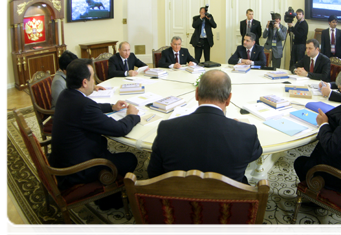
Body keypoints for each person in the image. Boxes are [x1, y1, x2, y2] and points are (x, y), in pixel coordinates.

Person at [49, 59, 140, 208]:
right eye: (92, 78)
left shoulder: (66, 95)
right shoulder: (84, 106)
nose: (94, 82)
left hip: (63, 159)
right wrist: (132, 116)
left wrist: (111, 106)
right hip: (78, 168)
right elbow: (119, 130)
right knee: (130, 159)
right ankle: (108, 199)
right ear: (85, 82)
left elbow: (91, 107)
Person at [147, 70, 262, 185]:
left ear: (196, 93)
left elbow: (153, 173)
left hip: (177, 200)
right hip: (228, 201)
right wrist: (237, 127)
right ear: (228, 99)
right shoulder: (246, 132)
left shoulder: (166, 128)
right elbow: (255, 154)